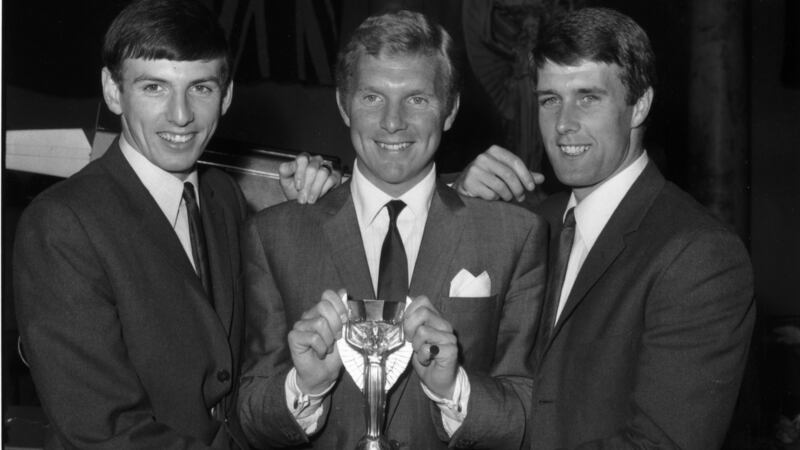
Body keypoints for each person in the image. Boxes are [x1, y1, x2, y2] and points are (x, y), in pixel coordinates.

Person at [12, 0, 334, 447]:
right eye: (154, 88)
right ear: (112, 90)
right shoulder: (61, 224)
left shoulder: (222, 197)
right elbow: (104, 431)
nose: (180, 115)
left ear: (226, 95)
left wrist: (310, 204)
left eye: (200, 88)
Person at [237, 10, 547, 449]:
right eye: (372, 98)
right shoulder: (275, 235)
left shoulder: (514, 233)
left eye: (417, 99)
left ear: (451, 108)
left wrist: (452, 389)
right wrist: (303, 388)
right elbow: (249, 415)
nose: (393, 122)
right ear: (344, 105)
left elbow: (529, 414)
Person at [452, 7, 756, 449]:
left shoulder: (699, 254)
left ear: (640, 105)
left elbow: (662, 444)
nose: (563, 124)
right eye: (549, 99)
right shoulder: (532, 221)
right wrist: (457, 198)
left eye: (588, 97)